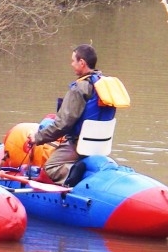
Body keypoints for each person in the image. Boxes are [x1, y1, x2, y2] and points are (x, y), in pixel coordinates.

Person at [25, 44, 113, 185]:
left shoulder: (79, 88)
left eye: (73, 61)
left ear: (82, 62)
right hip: (101, 145)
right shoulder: (104, 86)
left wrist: (37, 138)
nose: (71, 64)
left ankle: (73, 172)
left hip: (79, 145)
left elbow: (63, 124)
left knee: (50, 168)